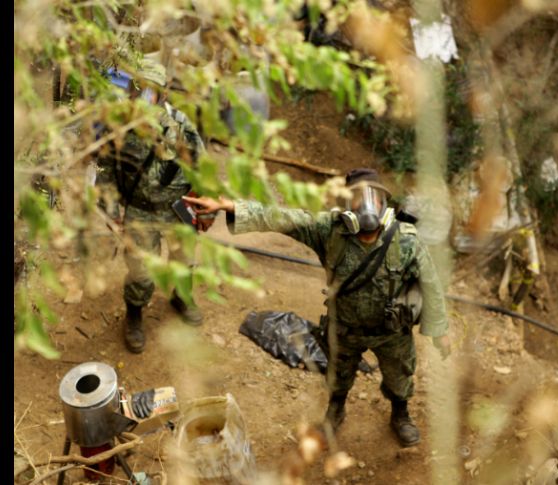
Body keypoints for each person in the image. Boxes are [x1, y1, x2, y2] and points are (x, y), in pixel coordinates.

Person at [183, 168, 451, 447]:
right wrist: (230, 206)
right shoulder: (329, 230)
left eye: (373, 197)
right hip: (344, 329)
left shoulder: (405, 239)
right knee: (338, 376)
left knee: (400, 376)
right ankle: (335, 412)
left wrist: (439, 330)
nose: (367, 205)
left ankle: (400, 415)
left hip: (391, 332)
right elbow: (282, 217)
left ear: (385, 203)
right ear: (346, 204)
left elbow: (430, 282)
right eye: (357, 198)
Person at [95, 59, 214, 353]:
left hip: (177, 209)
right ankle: (135, 314)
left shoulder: (181, 126)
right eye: (139, 88)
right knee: (140, 271)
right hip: (139, 212)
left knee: (184, 261)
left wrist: (206, 209)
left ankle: (180, 297)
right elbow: (106, 173)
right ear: (132, 91)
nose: (145, 95)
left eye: (152, 90)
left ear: (163, 94)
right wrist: (112, 215)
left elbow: (202, 168)